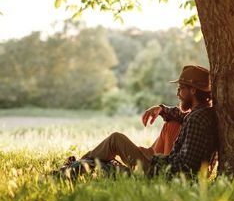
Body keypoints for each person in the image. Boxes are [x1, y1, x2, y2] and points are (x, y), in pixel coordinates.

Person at [80, 65, 218, 177]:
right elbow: (180, 115)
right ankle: (78, 165)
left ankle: (72, 169)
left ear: (193, 90)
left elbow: (186, 165)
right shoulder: (201, 113)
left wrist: (155, 159)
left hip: (164, 175)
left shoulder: (197, 120)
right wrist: (161, 109)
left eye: (181, 89)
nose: (177, 94)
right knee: (169, 125)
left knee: (115, 139)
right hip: (166, 170)